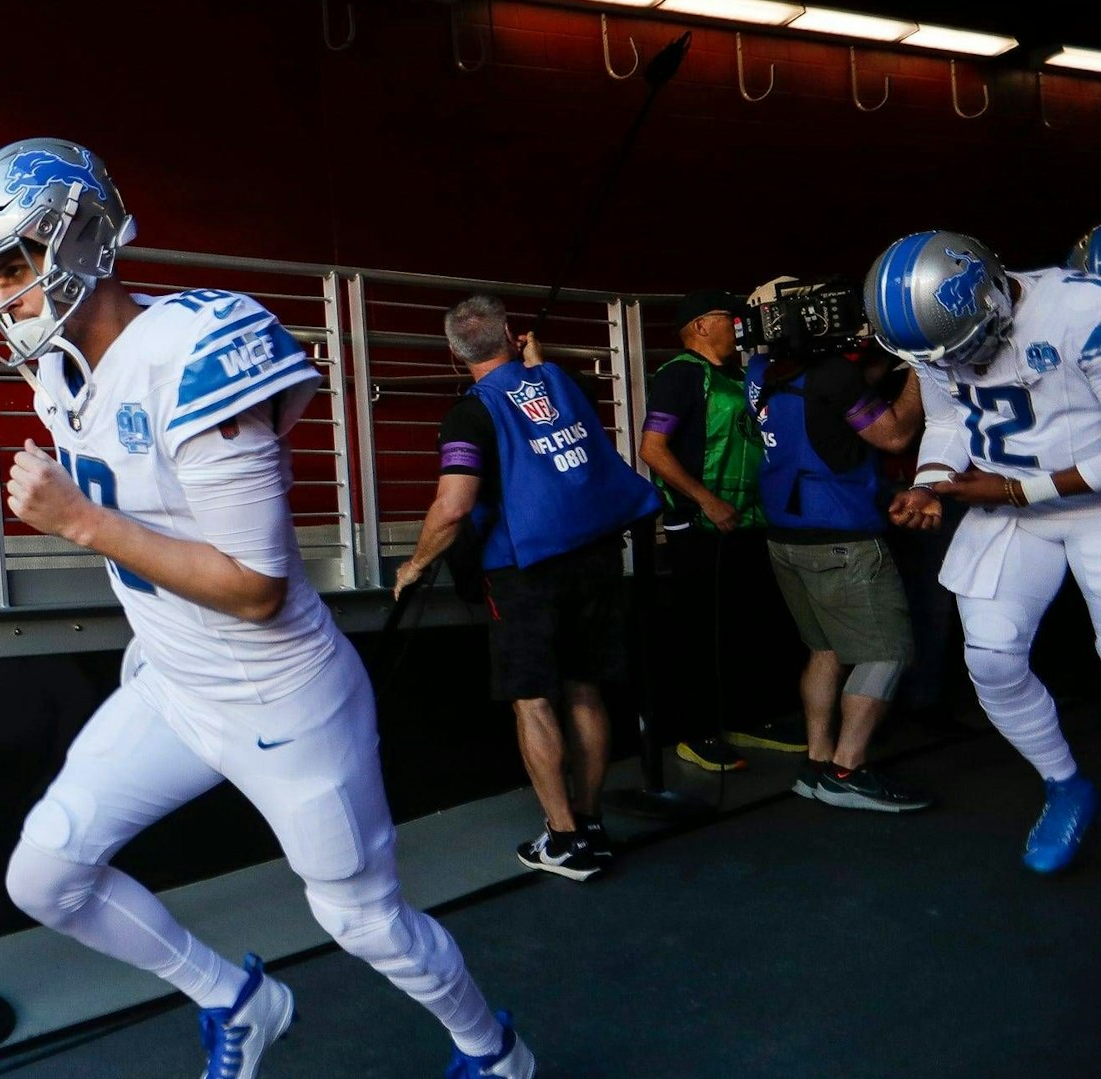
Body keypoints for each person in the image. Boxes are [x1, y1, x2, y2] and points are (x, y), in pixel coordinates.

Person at [0, 138, 531, 1079]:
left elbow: (254, 584)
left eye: (12, 262)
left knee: (362, 920)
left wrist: (81, 522)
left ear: (78, 235)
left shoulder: (198, 350)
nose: (2, 294)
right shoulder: (54, 366)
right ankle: (236, 997)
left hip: (279, 696)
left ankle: (492, 1049)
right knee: (44, 871)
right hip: (177, 684)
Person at [393, 295, 658, 881]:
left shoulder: (470, 413)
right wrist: (531, 359)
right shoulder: (558, 380)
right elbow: (537, 388)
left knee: (534, 700)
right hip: (594, 556)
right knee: (585, 690)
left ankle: (564, 840)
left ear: (452, 353)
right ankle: (589, 823)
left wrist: (413, 566)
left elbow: (453, 506)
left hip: (524, 572)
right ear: (512, 334)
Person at [871, 229, 1101, 873]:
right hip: (1008, 505)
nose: (959, 362)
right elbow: (947, 418)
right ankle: (1065, 784)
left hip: (1089, 504)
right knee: (993, 659)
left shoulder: (1085, 310)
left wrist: (1014, 488)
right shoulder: (937, 331)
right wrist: (928, 481)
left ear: (993, 297)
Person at [741, 290, 930, 811]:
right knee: (886, 653)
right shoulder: (832, 377)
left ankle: (818, 761)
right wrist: (917, 368)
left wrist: (877, 362)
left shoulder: (760, 370)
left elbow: (830, 395)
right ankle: (848, 769)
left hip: (786, 536)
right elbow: (892, 436)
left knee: (823, 650)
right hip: (842, 540)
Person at [638, 289, 805, 771]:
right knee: (699, 633)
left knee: (748, 625)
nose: (737, 324)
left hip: (750, 520)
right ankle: (697, 733)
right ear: (699, 326)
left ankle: (748, 719)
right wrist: (706, 501)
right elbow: (653, 449)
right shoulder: (681, 376)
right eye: (726, 317)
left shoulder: (739, 375)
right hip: (703, 526)